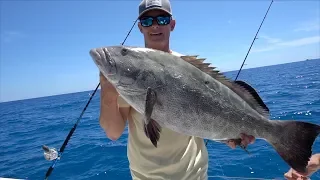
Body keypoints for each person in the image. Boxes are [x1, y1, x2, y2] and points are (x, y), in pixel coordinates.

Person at [98, 0, 255, 179]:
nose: (155, 26)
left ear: (172, 24)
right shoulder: (129, 70)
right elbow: (113, 132)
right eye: (148, 21)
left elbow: (210, 116)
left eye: (162, 19)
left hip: (194, 174)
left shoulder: (191, 69)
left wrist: (231, 136)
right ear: (140, 27)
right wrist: (107, 90)